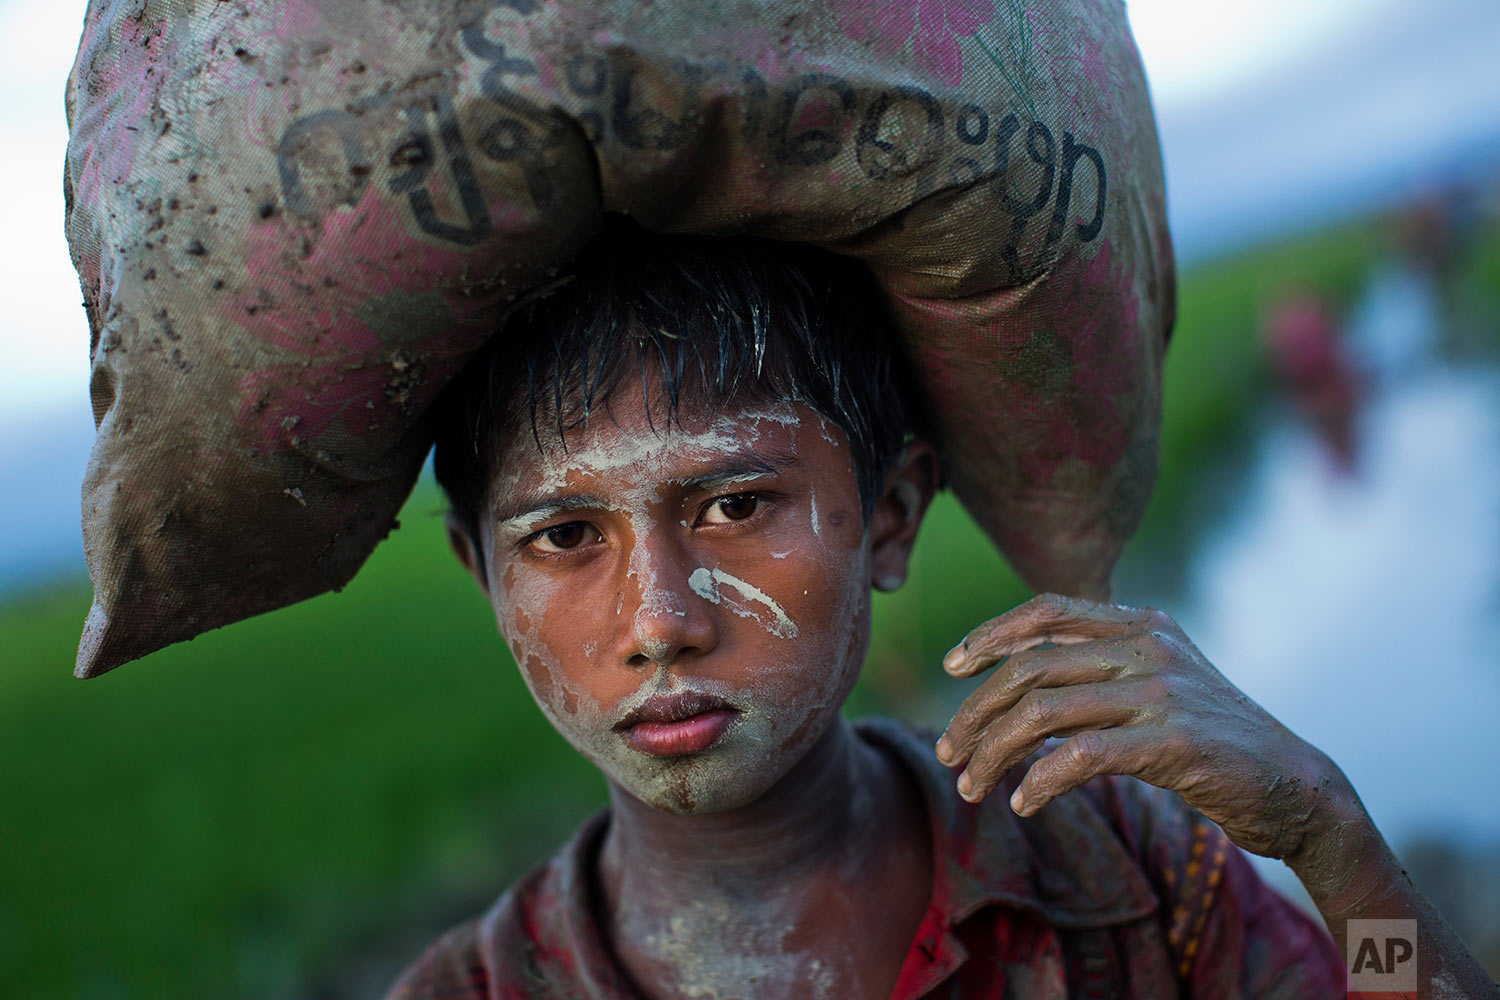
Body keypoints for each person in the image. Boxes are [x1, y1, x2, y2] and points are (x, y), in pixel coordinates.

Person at [385, 219, 1498, 999]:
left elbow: (1386, 981)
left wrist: (1333, 842)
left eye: (734, 504)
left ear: (891, 516)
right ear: (484, 575)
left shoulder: (1127, 874)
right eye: (565, 537)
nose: (659, 620)